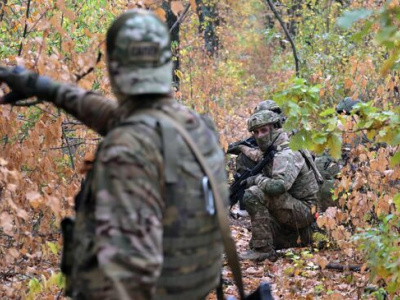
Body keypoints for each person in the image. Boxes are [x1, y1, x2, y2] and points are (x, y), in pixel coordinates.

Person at [0, 9, 229, 299]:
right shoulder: (194, 127)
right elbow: (110, 113)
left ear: (115, 69)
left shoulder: (126, 151)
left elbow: (127, 283)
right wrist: (42, 86)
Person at [240, 110, 319, 262]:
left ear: (275, 127)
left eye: (264, 130)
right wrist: (241, 148)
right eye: (255, 132)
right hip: (297, 208)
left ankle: (263, 250)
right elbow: (258, 156)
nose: (259, 135)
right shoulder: (276, 146)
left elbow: (278, 187)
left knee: (254, 194)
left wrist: (257, 179)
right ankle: (302, 235)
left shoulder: (287, 152)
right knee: (262, 236)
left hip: (305, 211)